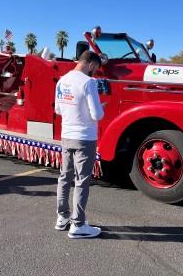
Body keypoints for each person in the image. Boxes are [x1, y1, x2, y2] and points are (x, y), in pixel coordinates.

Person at [54, 51, 105, 239]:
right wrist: (102, 108)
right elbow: (97, 115)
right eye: (96, 68)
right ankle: (78, 224)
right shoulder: (88, 82)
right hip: (85, 138)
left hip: (67, 136)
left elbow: (58, 109)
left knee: (64, 177)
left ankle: (62, 217)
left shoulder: (62, 80)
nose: (95, 73)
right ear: (91, 64)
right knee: (82, 181)